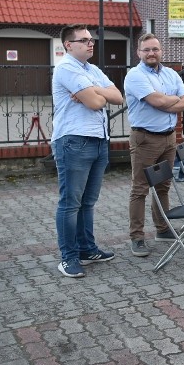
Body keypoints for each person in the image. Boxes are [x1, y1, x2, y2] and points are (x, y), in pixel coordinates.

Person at [51, 25, 123, 278]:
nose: (91, 44)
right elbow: (95, 103)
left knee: (88, 202)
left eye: (91, 40)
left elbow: (118, 97)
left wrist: (95, 90)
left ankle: (86, 249)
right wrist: (96, 94)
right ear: (69, 45)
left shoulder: (91, 70)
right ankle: (68, 257)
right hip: (74, 141)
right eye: (84, 40)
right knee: (70, 203)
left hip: (98, 140)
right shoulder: (66, 68)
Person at [123, 33, 184, 258]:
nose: (151, 53)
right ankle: (137, 237)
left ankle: (162, 230)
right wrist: (170, 99)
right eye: (146, 50)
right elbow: (157, 101)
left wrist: (165, 101)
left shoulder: (171, 73)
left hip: (169, 138)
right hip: (145, 139)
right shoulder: (134, 76)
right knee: (140, 189)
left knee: (163, 186)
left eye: (155, 49)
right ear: (139, 53)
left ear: (161, 51)